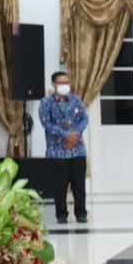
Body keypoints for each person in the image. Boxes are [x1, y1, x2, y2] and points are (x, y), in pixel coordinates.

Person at [39, 70, 88, 224]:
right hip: (57, 152)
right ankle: (61, 215)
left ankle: (81, 214)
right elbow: (46, 123)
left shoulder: (76, 100)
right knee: (59, 187)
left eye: (67, 82)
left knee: (79, 185)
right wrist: (66, 135)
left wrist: (75, 135)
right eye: (61, 83)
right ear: (54, 84)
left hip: (77, 151)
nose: (65, 85)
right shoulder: (46, 102)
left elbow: (84, 119)